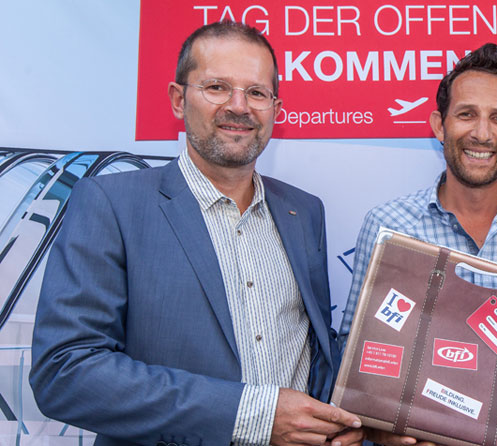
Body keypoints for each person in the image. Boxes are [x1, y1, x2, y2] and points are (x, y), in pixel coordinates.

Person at [29, 21, 363, 446]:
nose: (239, 107)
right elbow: (65, 371)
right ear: (178, 99)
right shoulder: (111, 203)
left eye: (256, 92)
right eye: (217, 87)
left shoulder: (305, 211)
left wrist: (356, 418)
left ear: (276, 108)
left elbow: (311, 350)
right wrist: (254, 415)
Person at [337, 43, 497, 445]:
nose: (482, 133)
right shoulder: (389, 225)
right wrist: (379, 430)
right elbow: (354, 355)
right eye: (466, 114)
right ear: (439, 125)